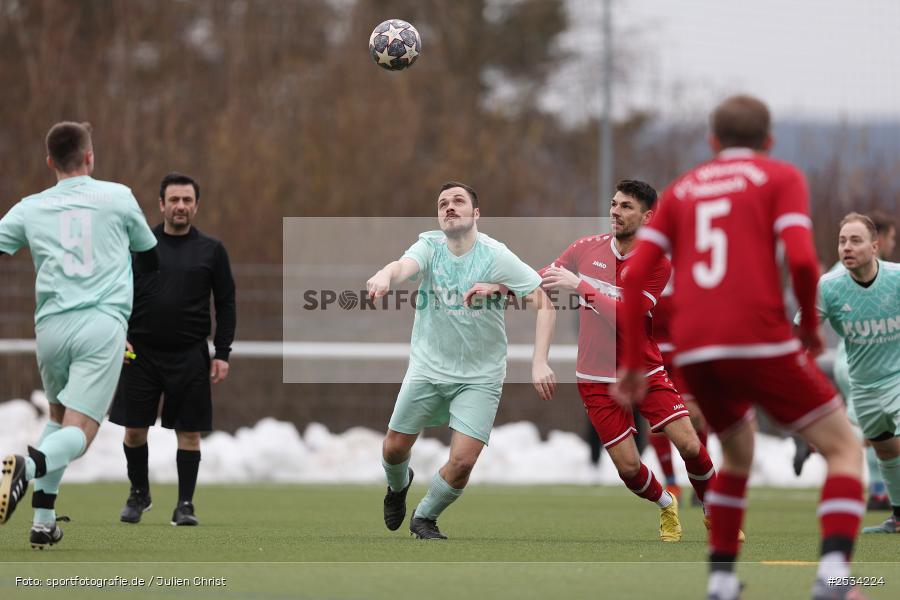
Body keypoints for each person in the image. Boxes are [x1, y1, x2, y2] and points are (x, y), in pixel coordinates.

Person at [615, 95, 865, 600]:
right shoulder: (780, 176)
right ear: (769, 140)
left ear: (713, 141)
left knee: (735, 452)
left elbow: (635, 274)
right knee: (844, 448)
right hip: (758, 338)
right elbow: (801, 260)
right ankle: (834, 579)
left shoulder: (684, 188)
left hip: (696, 349)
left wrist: (632, 361)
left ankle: (723, 581)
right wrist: (809, 328)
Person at [367, 181, 556, 540]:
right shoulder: (429, 247)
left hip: (480, 376)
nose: (449, 207)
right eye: (443, 203)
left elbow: (544, 303)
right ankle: (398, 486)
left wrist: (539, 361)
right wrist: (385, 274)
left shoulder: (496, 256)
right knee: (393, 449)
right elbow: (402, 266)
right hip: (428, 368)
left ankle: (425, 517)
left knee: (463, 461)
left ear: (476, 213)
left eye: (458, 201)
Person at [0, 122, 158, 548]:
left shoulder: (30, 207)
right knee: (82, 432)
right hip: (101, 323)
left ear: (49, 161)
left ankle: (43, 521)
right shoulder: (118, 196)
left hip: (51, 328)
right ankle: (27, 467)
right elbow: (150, 258)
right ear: (90, 157)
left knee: (57, 418)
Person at [539, 179, 722, 542]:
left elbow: (628, 318)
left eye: (626, 207)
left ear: (647, 217)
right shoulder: (584, 248)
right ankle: (666, 503)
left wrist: (581, 286)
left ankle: (714, 510)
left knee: (689, 444)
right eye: (614, 204)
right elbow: (540, 277)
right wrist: (497, 288)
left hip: (644, 369)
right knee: (628, 468)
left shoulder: (657, 264)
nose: (615, 212)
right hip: (594, 376)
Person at [109, 172, 236, 527]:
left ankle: (185, 506)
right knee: (134, 431)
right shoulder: (138, 246)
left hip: (190, 355)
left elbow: (226, 303)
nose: (181, 206)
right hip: (139, 354)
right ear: (161, 204)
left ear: (196, 206)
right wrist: (118, 334)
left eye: (187, 200)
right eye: (174, 200)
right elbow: (114, 293)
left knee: (190, 434)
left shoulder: (212, 250)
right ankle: (139, 493)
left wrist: (222, 353)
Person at [795, 210, 897, 511]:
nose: (847, 247)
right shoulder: (829, 286)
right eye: (842, 241)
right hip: (860, 379)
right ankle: (893, 510)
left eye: (855, 240)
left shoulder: (896, 278)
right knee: (882, 446)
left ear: (875, 246)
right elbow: (801, 335)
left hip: (896, 376)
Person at [649, 275, 711, 506]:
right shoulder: (640, 265)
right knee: (657, 422)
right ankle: (671, 482)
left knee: (696, 416)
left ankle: (702, 482)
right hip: (652, 356)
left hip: (683, 356)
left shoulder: (688, 266)